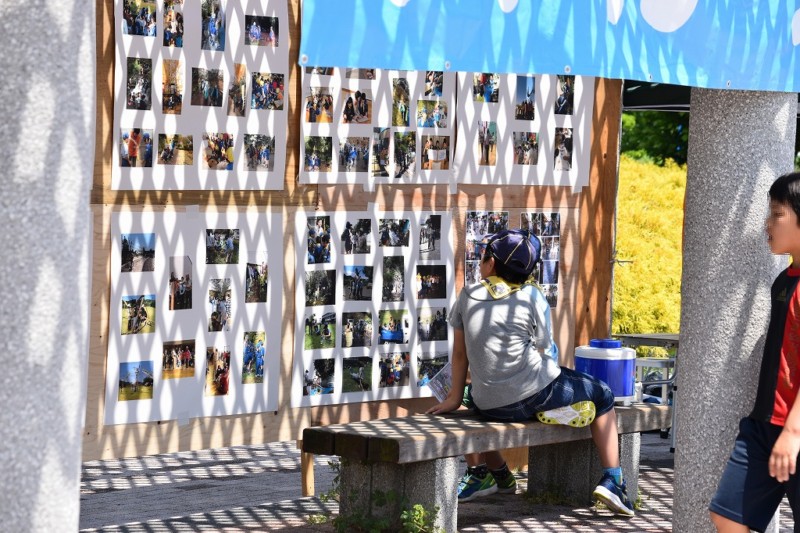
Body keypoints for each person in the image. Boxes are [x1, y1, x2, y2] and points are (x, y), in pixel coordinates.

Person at [427, 229, 634, 516]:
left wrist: (453, 399)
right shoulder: (532, 295)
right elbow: (545, 347)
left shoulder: (468, 294)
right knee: (603, 394)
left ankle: (495, 473)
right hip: (534, 393)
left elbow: (460, 355)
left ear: (491, 264)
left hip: (488, 404)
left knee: (469, 399)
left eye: (484, 256)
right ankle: (613, 480)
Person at [709, 171, 800, 532]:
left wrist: (793, 433)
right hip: (763, 427)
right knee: (727, 514)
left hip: (794, 429)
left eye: (777, 214)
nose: (768, 224)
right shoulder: (784, 280)